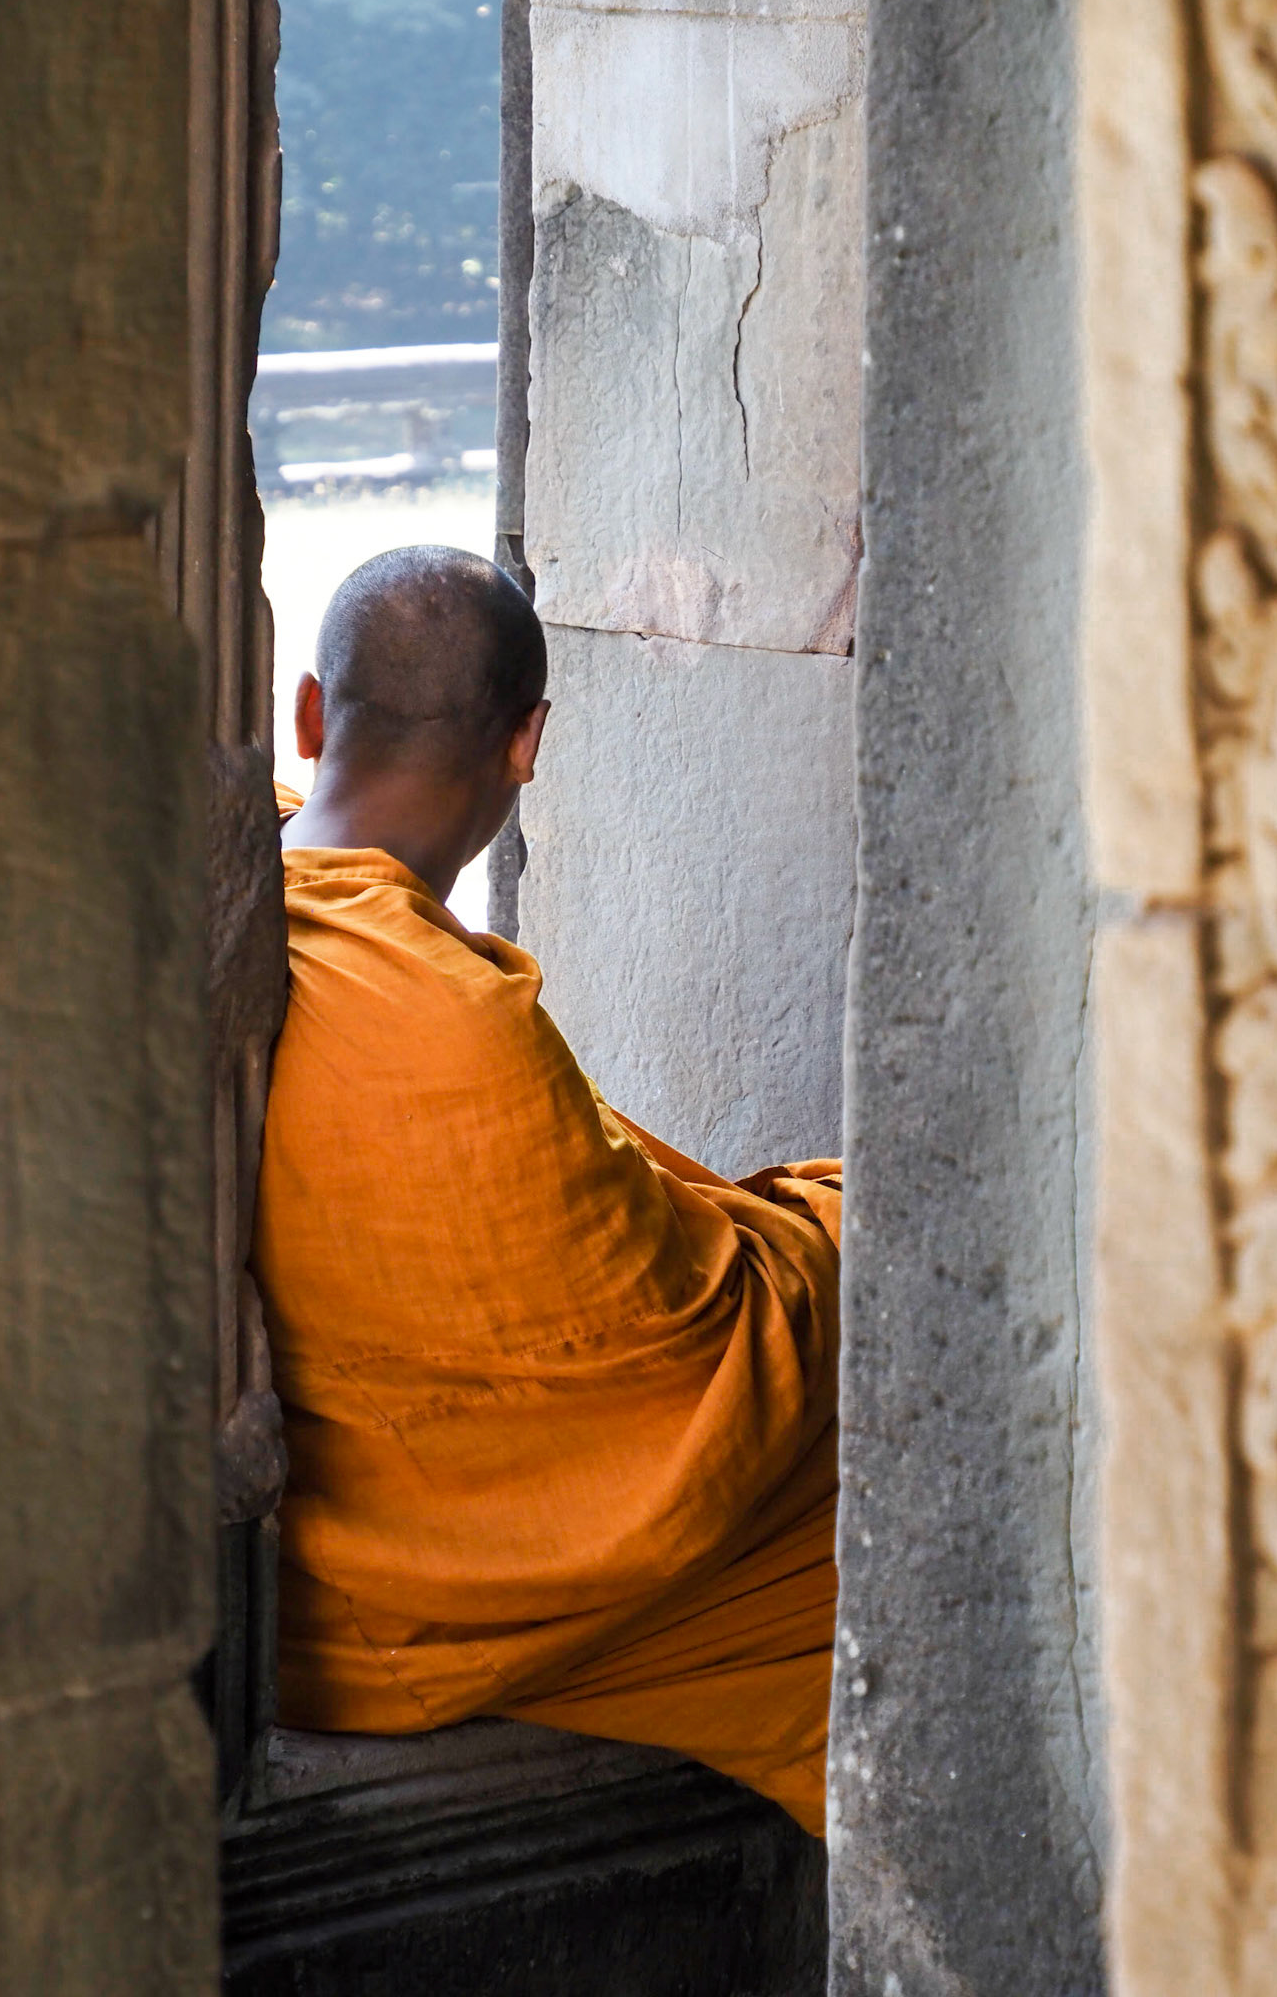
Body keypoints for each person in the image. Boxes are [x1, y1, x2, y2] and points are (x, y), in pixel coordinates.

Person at [253, 544, 841, 1837]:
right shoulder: (449, 1023)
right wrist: (845, 1223)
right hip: (445, 1607)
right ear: (528, 744)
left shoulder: (235, 902)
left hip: (277, 1602)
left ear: (307, 711)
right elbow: (676, 1359)